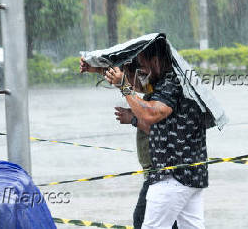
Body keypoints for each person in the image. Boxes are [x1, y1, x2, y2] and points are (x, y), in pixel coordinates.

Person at [114, 38, 208, 229]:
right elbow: (140, 87)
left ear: (155, 61)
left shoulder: (171, 83)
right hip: (191, 175)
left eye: (142, 63)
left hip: (171, 176)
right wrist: (102, 71)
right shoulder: (174, 80)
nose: (140, 69)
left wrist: (124, 87)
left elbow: (150, 114)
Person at [80, 57, 179, 229]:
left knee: (141, 220)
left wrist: (133, 119)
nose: (137, 80)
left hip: (163, 172)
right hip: (158, 171)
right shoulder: (152, 86)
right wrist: (96, 70)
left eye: (130, 72)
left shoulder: (164, 92)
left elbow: (160, 131)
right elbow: (135, 85)